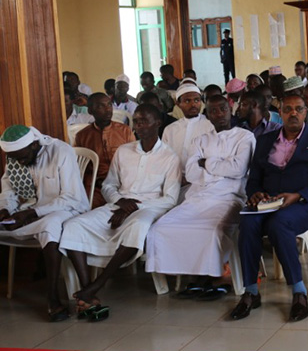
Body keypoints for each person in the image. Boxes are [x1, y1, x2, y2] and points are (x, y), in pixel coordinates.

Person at [59, 104, 181, 321]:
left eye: (144, 121)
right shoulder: (124, 151)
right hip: (117, 205)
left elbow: (170, 199)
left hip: (149, 209)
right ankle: (87, 290)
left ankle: (97, 285)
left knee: (138, 226)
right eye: (136, 121)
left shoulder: (170, 157)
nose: (138, 126)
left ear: (158, 124)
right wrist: (120, 201)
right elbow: (108, 185)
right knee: (73, 225)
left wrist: (134, 207)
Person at [229, 94, 308, 323]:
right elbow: (254, 179)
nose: (293, 114)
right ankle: (251, 291)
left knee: (280, 224)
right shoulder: (266, 140)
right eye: (288, 109)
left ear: (306, 112)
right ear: (281, 113)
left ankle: (299, 292)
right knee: (247, 224)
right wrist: (255, 193)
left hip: (306, 203)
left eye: (299, 109)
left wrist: (298, 195)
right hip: (269, 203)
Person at [145, 95, 255, 299]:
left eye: (222, 109)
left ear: (230, 109)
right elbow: (192, 173)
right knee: (161, 228)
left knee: (211, 231)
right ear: (208, 115)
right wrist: (220, 165)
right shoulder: (201, 140)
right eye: (213, 111)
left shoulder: (244, 137)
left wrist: (207, 163)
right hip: (198, 198)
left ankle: (216, 278)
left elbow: (238, 169)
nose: (219, 114)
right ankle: (194, 276)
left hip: (228, 197)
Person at [0, 125, 90, 321]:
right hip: (29, 214)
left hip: (67, 210)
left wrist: (33, 212)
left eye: (22, 157)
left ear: (33, 145)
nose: (19, 162)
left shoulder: (61, 151)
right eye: (14, 158)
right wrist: (6, 210)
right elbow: (8, 191)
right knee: (41, 224)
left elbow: (71, 197)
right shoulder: (15, 158)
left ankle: (53, 298)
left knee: (51, 225)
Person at [75, 93, 137, 208]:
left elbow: (134, 160)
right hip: (96, 186)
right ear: (90, 111)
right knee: (87, 209)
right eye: (101, 106)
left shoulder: (124, 131)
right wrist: (98, 181)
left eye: (109, 105)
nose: (108, 109)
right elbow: (80, 168)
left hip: (123, 183)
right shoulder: (82, 136)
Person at [163, 83, 216, 175]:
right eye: (187, 101)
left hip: (204, 179)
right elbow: (164, 158)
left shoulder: (211, 126)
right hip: (175, 177)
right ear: (178, 104)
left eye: (196, 100)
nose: (193, 105)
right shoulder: (170, 130)